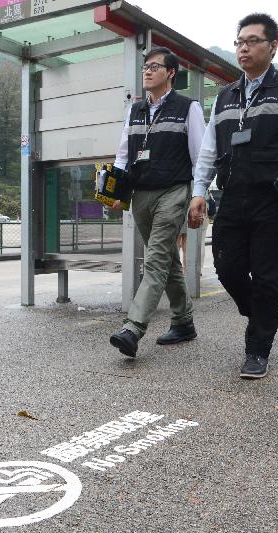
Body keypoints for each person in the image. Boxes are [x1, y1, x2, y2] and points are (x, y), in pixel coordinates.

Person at [188, 13, 278, 379]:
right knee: (227, 267)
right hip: (232, 196)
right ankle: (262, 310)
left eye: (252, 41)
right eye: (239, 42)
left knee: (266, 277)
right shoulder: (225, 97)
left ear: (273, 46)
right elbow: (207, 150)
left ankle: (257, 349)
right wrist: (199, 191)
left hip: (273, 199)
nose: (243, 48)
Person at [108, 47, 206, 358]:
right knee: (166, 259)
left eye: (154, 66)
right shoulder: (135, 110)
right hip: (141, 196)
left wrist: (198, 196)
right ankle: (184, 321)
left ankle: (133, 327)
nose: (147, 71)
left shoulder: (188, 108)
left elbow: (200, 156)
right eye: (145, 67)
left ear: (171, 73)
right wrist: (114, 192)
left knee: (155, 260)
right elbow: (123, 156)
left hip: (173, 192)